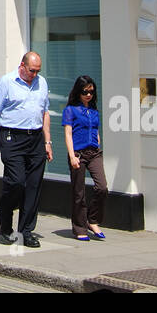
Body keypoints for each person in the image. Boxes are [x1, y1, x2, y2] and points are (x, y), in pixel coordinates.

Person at [0, 50, 52, 247]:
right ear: (22, 66)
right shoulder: (7, 82)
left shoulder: (42, 83)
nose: (34, 74)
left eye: (37, 71)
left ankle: (26, 231)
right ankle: (5, 224)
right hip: (11, 137)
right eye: (32, 70)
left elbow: (45, 113)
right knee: (16, 182)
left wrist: (48, 142)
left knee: (33, 186)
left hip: (35, 138)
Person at [63, 75, 108, 241]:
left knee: (102, 187)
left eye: (91, 91)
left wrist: (98, 144)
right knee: (78, 192)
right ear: (78, 92)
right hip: (78, 154)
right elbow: (68, 134)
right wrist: (72, 155)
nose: (88, 95)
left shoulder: (94, 110)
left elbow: (95, 130)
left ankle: (93, 220)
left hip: (94, 152)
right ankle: (79, 227)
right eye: (84, 92)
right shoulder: (71, 110)